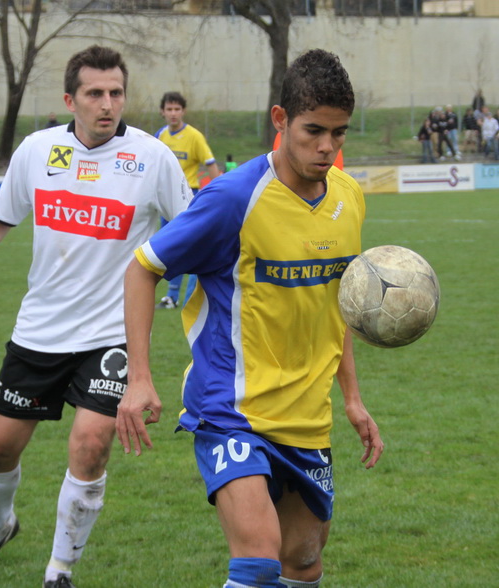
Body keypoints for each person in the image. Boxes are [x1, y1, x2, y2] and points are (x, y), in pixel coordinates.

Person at [116, 49, 384, 588]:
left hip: (307, 416)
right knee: (259, 562)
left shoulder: (349, 198)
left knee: (302, 563)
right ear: (280, 119)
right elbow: (143, 269)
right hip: (231, 407)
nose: (327, 147)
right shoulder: (233, 198)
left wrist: (352, 398)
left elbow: (338, 307)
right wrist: (139, 377)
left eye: (339, 133)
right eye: (313, 131)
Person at [0, 45, 191, 588]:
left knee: (91, 445)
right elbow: (0, 217)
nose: (107, 104)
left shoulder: (152, 158)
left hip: (111, 333)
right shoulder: (37, 150)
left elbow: (191, 227)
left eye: (116, 92)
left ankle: (60, 570)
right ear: (70, 100)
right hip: (40, 330)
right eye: (95, 93)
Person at [154, 91, 220, 309]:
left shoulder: (194, 136)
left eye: (177, 109)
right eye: (169, 109)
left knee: (191, 249)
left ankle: (191, 298)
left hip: (189, 198)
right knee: (169, 250)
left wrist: (220, 196)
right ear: (162, 112)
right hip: (165, 199)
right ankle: (171, 297)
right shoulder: (160, 135)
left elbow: (210, 165)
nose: (173, 113)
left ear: (183, 111)